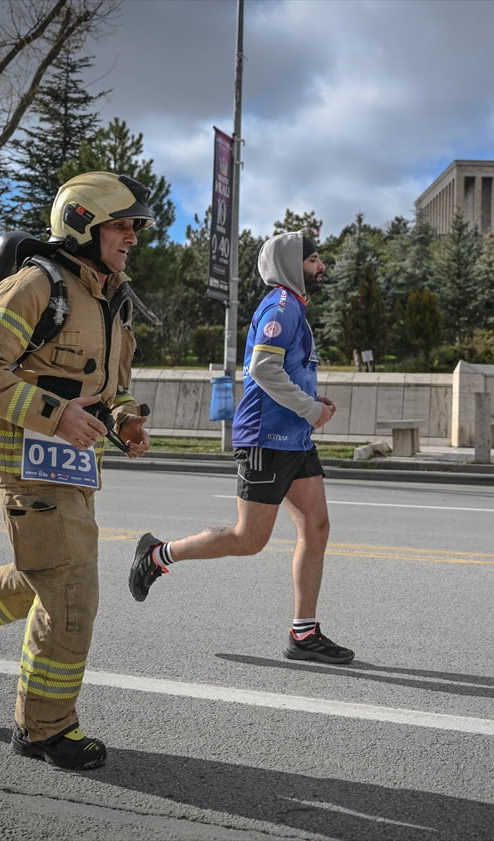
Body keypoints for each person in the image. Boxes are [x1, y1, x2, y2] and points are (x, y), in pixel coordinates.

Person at [0, 171, 157, 769]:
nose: (132, 237)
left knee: (46, 574)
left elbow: (110, 387)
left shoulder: (111, 300)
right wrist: (55, 415)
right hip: (26, 457)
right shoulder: (37, 286)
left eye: (134, 227)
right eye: (121, 226)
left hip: (77, 464)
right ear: (83, 225)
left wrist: (124, 419)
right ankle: (44, 728)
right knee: (71, 591)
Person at [128, 231, 354, 664]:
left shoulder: (294, 308)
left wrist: (311, 401)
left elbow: (282, 371)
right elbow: (263, 369)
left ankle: (304, 634)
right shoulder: (281, 306)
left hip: (294, 439)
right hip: (267, 439)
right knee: (248, 539)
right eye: (313, 260)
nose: (321, 267)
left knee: (317, 528)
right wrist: (310, 409)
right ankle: (157, 554)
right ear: (291, 265)